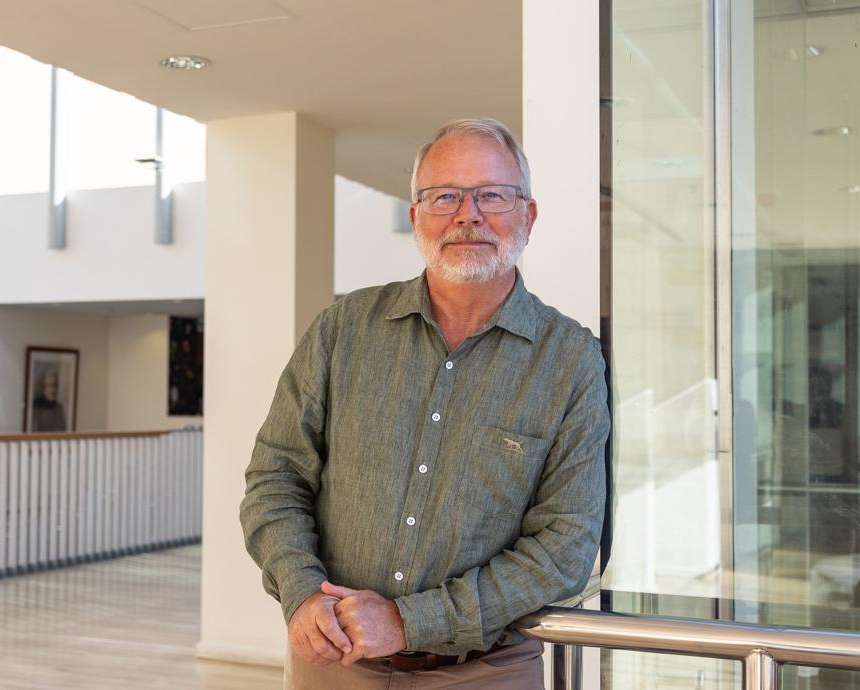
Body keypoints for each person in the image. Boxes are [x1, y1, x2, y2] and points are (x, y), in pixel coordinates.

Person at [239, 118, 610, 688]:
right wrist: (302, 591)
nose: (468, 215)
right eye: (444, 196)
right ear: (415, 216)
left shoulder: (570, 360)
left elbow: (566, 546)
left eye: (492, 195)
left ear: (527, 217)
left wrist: (408, 622)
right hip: (332, 664)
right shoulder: (343, 330)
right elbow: (275, 478)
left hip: (484, 673)